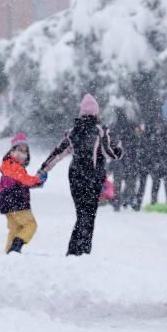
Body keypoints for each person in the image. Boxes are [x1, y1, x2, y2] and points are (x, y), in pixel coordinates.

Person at [39, 94, 123, 256]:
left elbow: (57, 153)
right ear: (96, 113)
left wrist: (42, 170)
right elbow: (111, 153)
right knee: (89, 216)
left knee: (82, 214)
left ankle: (75, 251)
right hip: (93, 178)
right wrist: (119, 146)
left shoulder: (72, 132)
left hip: (76, 177)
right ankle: (81, 252)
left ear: (81, 113)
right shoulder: (101, 131)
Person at [0, 133, 47, 254]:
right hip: (15, 201)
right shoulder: (12, 165)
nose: (22, 153)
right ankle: (16, 247)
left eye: (25, 151)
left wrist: (36, 182)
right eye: (19, 149)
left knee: (15, 228)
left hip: (7, 201)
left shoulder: (10, 164)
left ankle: (9, 252)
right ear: (12, 150)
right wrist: (38, 179)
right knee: (31, 225)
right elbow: (25, 180)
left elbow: (22, 181)